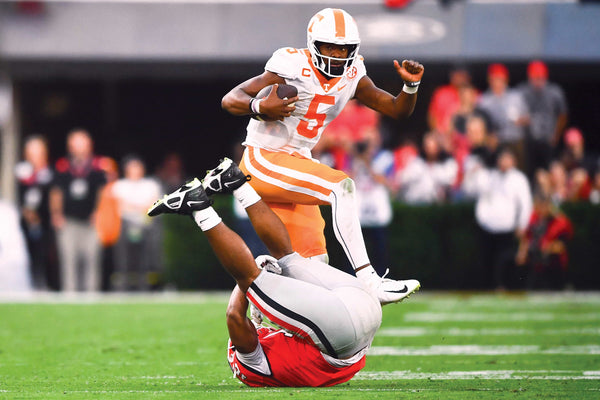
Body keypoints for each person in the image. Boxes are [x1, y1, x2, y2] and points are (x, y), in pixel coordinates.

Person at [147, 158, 416, 387]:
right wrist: (252, 283)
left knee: (283, 260)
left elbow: (237, 316)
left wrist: (254, 283)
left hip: (358, 327)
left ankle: (226, 191)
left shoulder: (253, 355)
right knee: (268, 270)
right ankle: (216, 198)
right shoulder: (252, 366)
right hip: (343, 333)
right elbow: (234, 314)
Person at [221, 8, 424, 304]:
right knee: (341, 187)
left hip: (297, 163)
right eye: (329, 46)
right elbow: (230, 99)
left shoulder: (353, 75)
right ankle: (369, 280)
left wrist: (411, 85)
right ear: (313, 45)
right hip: (263, 158)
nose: (337, 55)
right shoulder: (290, 65)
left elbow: (396, 108)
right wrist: (259, 107)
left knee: (313, 265)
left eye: (344, 49)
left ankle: (262, 311)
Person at [463, 148, 533, 290]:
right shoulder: (488, 175)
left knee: (504, 261)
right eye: (502, 158)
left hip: (507, 227)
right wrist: (472, 174)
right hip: (486, 226)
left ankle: (503, 286)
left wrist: (522, 224)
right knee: (486, 260)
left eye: (507, 158)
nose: (504, 162)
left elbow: (526, 204)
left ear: (514, 161)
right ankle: (487, 287)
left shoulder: (519, 179)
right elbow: (468, 191)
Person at [49, 129, 106, 292]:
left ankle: (92, 293)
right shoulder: (62, 166)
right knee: (68, 259)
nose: (80, 148)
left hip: (91, 221)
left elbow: (103, 193)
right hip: (69, 221)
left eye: (83, 144)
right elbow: (56, 192)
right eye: (76, 144)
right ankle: (70, 294)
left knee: (92, 258)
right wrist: (56, 214)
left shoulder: (97, 167)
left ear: (89, 146)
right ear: (70, 146)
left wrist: (99, 212)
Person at [111, 155, 163, 290]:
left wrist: (133, 206)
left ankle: (144, 286)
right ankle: (123, 286)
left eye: (137, 167)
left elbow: (153, 204)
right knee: (124, 259)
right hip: (125, 225)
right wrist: (139, 207)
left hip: (146, 226)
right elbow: (118, 206)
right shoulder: (119, 185)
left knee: (145, 259)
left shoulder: (150, 184)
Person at [14, 135, 57, 290]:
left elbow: (53, 196)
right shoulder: (22, 172)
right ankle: (32, 284)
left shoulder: (50, 172)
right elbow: (20, 196)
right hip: (28, 221)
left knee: (47, 254)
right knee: (29, 255)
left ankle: (48, 284)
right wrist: (28, 214)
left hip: (46, 221)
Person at [518, 60, 568, 179]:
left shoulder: (554, 92)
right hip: (528, 140)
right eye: (535, 78)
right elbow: (514, 113)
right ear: (529, 77)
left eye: (541, 78)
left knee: (548, 171)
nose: (538, 81)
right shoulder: (522, 91)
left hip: (548, 139)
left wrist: (556, 135)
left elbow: (563, 115)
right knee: (528, 172)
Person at [516, 192, 573, 290]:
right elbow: (527, 238)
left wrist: (547, 248)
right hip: (536, 265)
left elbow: (561, 246)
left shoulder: (561, 223)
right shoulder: (535, 219)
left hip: (554, 266)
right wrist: (523, 252)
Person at [477, 63, 529, 171]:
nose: (497, 82)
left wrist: (521, 120)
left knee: (518, 171)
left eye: (500, 79)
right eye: (494, 79)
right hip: (496, 142)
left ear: (505, 80)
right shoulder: (484, 100)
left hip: (515, 140)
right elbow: (480, 123)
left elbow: (527, 118)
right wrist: (487, 137)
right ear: (489, 80)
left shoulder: (516, 96)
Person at [427, 64, 471, 135]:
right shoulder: (441, 93)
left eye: (461, 75)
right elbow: (432, 116)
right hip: (444, 135)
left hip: (467, 136)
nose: (459, 78)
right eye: (456, 74)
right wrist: (438, 133)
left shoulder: (473, 93)